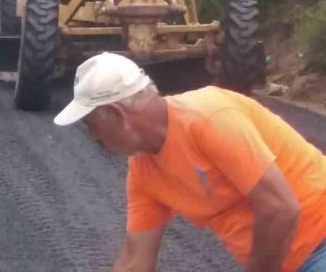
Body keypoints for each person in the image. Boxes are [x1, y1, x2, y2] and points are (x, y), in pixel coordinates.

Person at [54, 52, 326, 272]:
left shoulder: (208, 118)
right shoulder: (144, 171)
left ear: (116, 114)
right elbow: (136, 260)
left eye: (91, 123)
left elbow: (280, 209)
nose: (92, 136)